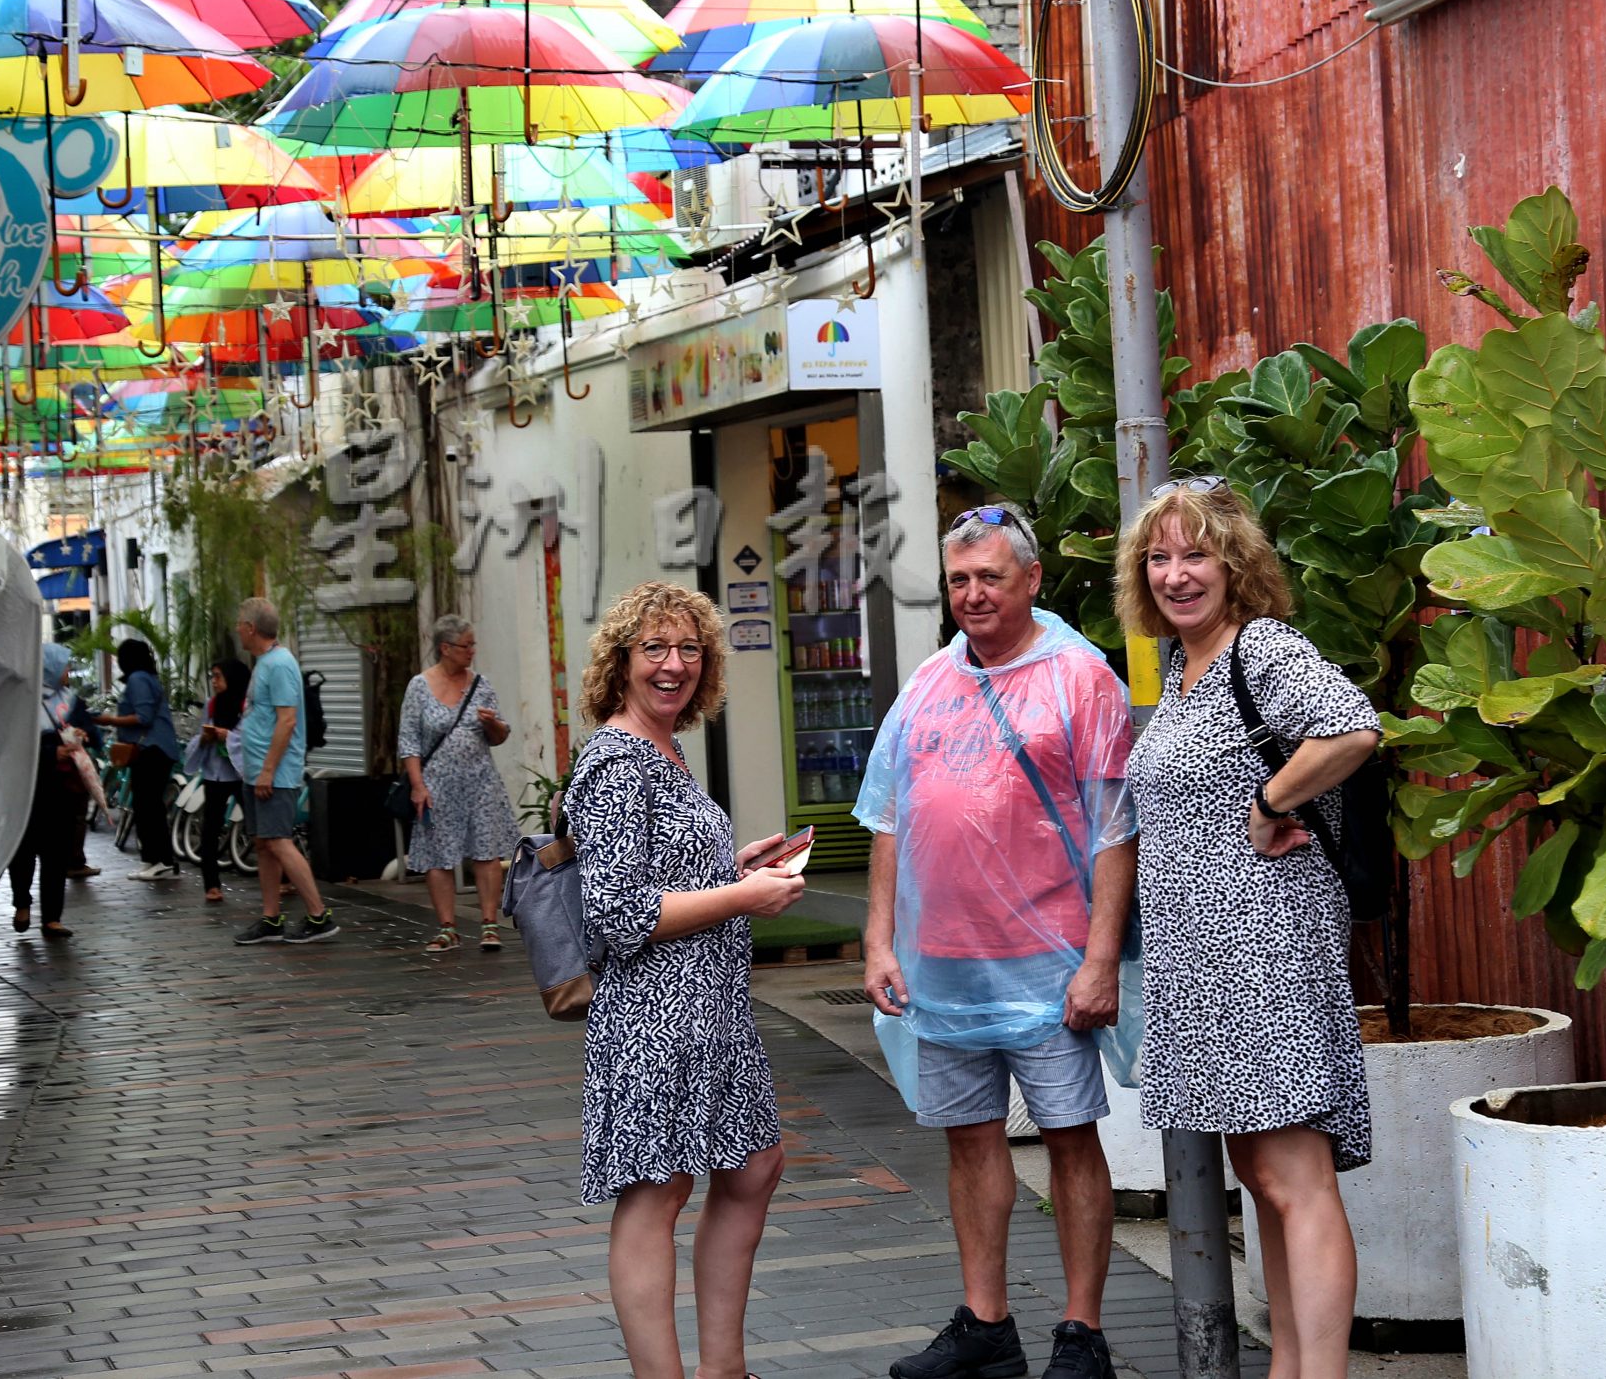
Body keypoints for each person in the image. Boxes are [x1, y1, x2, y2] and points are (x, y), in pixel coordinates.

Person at [858, 508, 1139, 1379]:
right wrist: (879, 941)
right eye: (959, 581)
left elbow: (1114, 831)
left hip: (1049, 969)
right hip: (942, 969)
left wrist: (1100, 960)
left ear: (1032, 580)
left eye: (990, 577)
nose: (973, 595)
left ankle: (1082, 1332)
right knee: (970, 1140)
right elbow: (888, 819)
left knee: (1067, 1137)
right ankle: (987, 1325)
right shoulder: (932, 680)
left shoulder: (1080, 678)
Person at [1116, 479, 1379, 1379]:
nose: (1176, 574)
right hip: (1203, 960)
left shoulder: (1259, 647)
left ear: (1235, 564)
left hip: (1263, 948)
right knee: (1265, 1183)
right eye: (1159, 558)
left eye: (1195, 555)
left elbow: (1352, 729)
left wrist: (1272, 799)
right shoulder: (1182, 671)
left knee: (1295, 1180)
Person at [570, 580, 803, 1379]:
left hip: (713, 1011)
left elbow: (659, 873)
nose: (674, 665)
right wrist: (743, 895)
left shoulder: (665, 747)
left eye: (689, 649)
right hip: (654, 1018)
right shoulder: (614, 760)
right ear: (621, 663)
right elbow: (617, 912)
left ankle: (724, 1369)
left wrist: (733, 868)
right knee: (658, 1191)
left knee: (754, 1164)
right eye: (655, 649)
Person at [397, 614, 519, 954]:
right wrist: (418, 785)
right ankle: (447, 927)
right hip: (436, 783)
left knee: (486, 851)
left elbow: (500, 736)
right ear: (445, 648)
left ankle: (489, 924)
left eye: (473, 644)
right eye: (466, 645)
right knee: (439, 855)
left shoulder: (481, 684)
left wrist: (492, 723)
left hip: (480, 781)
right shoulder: (419, 687)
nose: (472, 651)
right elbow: (408, 741)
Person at [222, 598, 338, 945]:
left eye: (240, 623)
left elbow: (287, 721)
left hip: (274, 773)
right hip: (255, 770)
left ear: (251, 628)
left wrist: (269, 770)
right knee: (263, 843)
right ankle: (271, 918)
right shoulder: (264, 663)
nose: (237, 629)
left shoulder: (281, 664)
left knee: (278, 841)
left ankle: (319, 916)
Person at [12, 643, 90, 938]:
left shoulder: (72, 701)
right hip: (30, 789)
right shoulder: (23, 703)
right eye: (65, 666)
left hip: (63, 789)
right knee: (23, 853)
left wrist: (83, 735)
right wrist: (50, 753)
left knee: (56, 854)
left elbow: (90, 731)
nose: (68, 672)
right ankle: (22, 903)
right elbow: (15, 743)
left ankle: (52, 918)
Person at [97, 638, 182, 883]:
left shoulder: (138, 679)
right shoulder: (147, 678)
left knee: (148, 806)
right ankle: (154, 860)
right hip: (154, 749)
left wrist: (109, 720)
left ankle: (160, 860)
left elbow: (143, 717)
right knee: (148, 805)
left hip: (151, 749)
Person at [182, 656, 250, 904]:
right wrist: (204, 738)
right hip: (215, 774)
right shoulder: (212, 705)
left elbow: (250, 739)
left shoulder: (246, 706)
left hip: (240, 775)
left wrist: (228, 736)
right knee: (210, 829)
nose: (214, 681)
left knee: (257, 827)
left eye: (218, 676)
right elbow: (201, 732)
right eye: (212, 676)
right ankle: (211, 884)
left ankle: (282, 877)